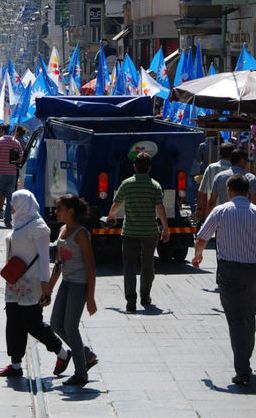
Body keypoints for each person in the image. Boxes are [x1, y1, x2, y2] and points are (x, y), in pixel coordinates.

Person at [192, 174, 256, 386]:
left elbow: (201, 238)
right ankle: (245, 359)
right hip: (254, 271)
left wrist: (198, 256)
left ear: (229, 191)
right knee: (249, 315)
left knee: (235, 318)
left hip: (229, 272)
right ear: (247, 191)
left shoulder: (220, 211)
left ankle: (242, 367)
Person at [0, 190, 67, 380]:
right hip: (14, 281)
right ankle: (15, 364)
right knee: (14, 322)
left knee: (32, 323)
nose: (11, 207)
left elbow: (44, 258)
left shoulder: (39, 227)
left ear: (24, 204)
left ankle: (63, 353)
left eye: (13, 203)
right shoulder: (18, 222)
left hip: (31, 282)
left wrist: (46, 284)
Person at [106, 152, 169, 311]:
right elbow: (160, 208)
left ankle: (130, 300)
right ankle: (145, 297)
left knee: (129, 266)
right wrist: (166, 228)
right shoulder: (155, 185)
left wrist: (111, 216)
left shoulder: (126, 184)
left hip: (130, 232)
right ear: (149, 168)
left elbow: (116, 203)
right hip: (150, 232)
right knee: (148, 266)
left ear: (134, 167)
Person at [49, 195, 98, 387]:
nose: (55, 212)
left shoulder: (81, 234)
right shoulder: (62, 230)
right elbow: (59, 263)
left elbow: (91, 267)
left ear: (70, 212)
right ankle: (85, 355)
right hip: (66, 283)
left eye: (59, 209)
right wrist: (49, 289)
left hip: (79, 285)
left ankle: (81, 374)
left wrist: (91, 298)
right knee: (55, 325)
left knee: (70, 327)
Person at [0, 124, 23, 228]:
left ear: (2, 130)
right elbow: (20, 157)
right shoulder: (16, 142)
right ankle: (8, 220)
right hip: (12, 173)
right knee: (10, 197)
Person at [198, 141, 234, 217]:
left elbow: (201, 191)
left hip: (214, 213)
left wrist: (199, 209)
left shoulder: (211, 168)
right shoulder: (238, 170)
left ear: (219, 154)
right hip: (233, 214)